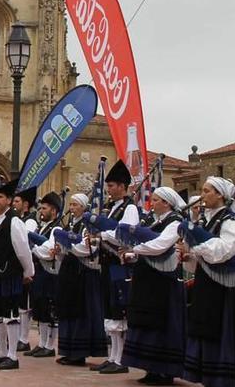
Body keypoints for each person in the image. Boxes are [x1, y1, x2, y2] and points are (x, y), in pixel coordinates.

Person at [178, 177, 235, 387]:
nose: (202, 195)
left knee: (219, 330)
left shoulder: (229, 220)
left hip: (223, 287)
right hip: (205, 282)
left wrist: (195, 247)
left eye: (207, 191)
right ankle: (208, 378)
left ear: (220, 194)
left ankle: (223, 379)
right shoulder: (206, 220)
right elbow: (201, 260)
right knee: (205, 328)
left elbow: (226, 250)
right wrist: (189, 256)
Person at [120, 186, 187, 386]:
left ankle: (165, 371)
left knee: (162, 323)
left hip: (163, 281)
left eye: (156, 200)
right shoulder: (152, 221)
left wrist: (133, 246)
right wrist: (131, 255)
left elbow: (160, 245)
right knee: (146, 321)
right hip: (147, 278)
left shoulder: (175, 223)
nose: (153, 203)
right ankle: (150, 367)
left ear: (166, 203)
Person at [0, 179, 34, 370]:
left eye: (0, 197)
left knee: (11, 314)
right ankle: (1, 352)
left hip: (11, 273)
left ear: (9, 200)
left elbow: (22, 249)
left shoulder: (14, 221)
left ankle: (12, 356)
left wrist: (29, 272)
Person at [93, 159, 140, 375]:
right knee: (110, 309)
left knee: (118, 310)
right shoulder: (112, 209)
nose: (108, 190)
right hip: (107, 262)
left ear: (122, 186)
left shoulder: (130, 208)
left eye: (111, 186)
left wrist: (101, 233)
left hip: (119, 265)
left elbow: (126, 235)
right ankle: (112, 356)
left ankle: (120, 359)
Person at [54, 193, 108, 366]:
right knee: (68, 310)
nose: (72, 208)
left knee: (80, 311)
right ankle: (68, 350)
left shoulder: (88, 226)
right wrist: (60, 249)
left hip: (82, 273)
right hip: (69, 271)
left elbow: (88, 250)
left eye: (75, 205)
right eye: (70, 204)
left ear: (84, 208)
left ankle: (79, 352)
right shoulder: (71, 225)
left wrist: (69, 245)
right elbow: (71, 248)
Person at [25, 191, 63, 358]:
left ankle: (49, 345)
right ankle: (41, 343)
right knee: (40, 308)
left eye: (45, 208)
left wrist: (34, 248)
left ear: (53, 211)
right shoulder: (43, 227)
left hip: (51, 273)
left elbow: (49, 252)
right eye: (40, 208)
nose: (41, 211)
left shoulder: (57, 227)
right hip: (40, 272)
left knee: (50, 309)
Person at [12, 186, 38, 352]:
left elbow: (24, 241)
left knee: (25, 304)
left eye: (17, 201)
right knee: (18, 303)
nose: (14, 204)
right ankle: (18, 337)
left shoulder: (30, 221)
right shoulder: (16, 219)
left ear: (26, 205)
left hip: (27, 264)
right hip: (16, 265)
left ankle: (24, 338)